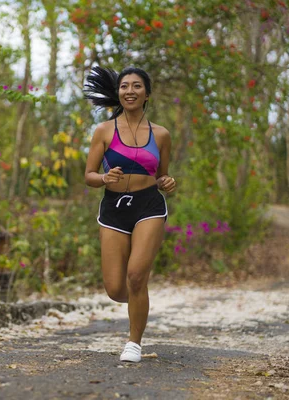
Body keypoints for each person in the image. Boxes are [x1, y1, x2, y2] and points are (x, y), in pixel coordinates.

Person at [83, 66, 176, 363]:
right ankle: (139, 297)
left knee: (136, 276)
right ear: (118, 93)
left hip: (148, 206)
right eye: (125, 86)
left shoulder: (161, 135)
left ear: (147, 94)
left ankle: (133, 343)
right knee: (115, 288)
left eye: (137, 86)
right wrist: (103, 179)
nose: (130, 91)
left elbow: (163, 176)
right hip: (113, 209)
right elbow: (88, 175)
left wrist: (167, 182)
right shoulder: (104, 131)